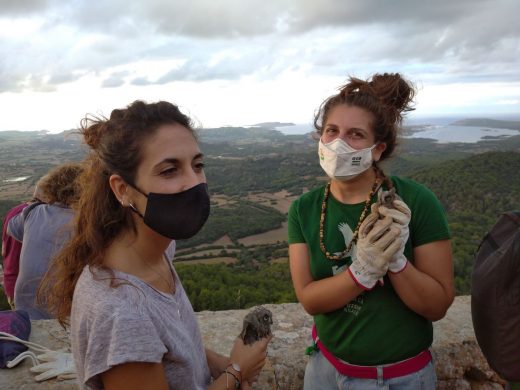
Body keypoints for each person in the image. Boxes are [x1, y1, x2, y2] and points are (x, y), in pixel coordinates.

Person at [39, 101, 269, 389]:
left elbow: (171, 346)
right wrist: (236, 371)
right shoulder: (121, 311)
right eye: (169, 170)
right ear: (123, 190)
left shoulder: (155, 252)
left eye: (198, 165)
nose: (193, 182)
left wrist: (217, 365)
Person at [288, 73, 454, 389]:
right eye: (331, 131)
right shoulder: (304, 209)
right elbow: (310, 299)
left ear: (377, 149)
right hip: (325, 371)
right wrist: (361, 272)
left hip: (400, 378)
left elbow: (437, 306)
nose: (339, 143)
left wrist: (395, 262)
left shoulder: (417, 202)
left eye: (355, 135)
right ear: (320, 138)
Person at [7, 163, 82, 319]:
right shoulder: (85, 222)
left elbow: (12, 229)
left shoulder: (31, 212)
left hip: (24, 309)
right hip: (63, 314)